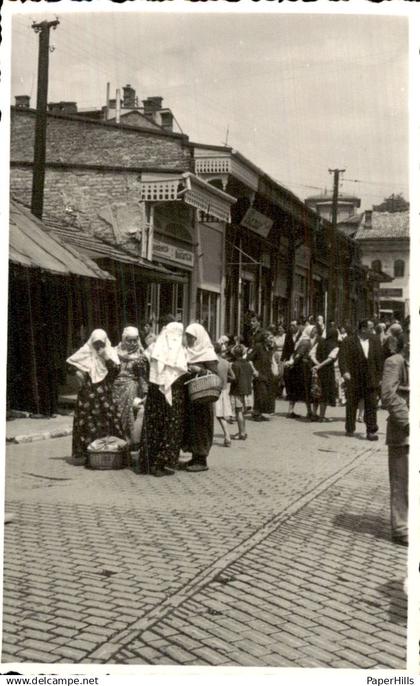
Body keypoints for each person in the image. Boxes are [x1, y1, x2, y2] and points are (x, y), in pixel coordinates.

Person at [67, 329, 124, 464]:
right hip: (87, 393)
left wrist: (105, 356)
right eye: (96, 343)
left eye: (101, 343)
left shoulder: (109, 352)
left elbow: (116, 370)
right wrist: (77, 373)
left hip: (104, 392)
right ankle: (88, 453)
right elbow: (69, 364)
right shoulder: (86, 350)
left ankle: (109, 450)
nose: (98, 346)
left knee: (108, 417)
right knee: (87, 420)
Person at [139, 322, 188, 477]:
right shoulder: (181, 351)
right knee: (169, 428)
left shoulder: (153, 348)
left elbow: (140, 365)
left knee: (154, 426)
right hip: (173, 397)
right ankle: (162, 463)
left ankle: (150, 462)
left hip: (156, 395)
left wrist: (148, 380)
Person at [381, 331, 409, 545]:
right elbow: (389, 395)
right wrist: (408, 423)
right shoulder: (395, 362)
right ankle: (401, 528)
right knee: (402, 482)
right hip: (404, 432)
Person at [182, 323, 220, 472]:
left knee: (201, 427)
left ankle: (201, 459)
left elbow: (215, 374)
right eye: (188, 337)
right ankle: (194, 457)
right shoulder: (187, 351)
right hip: (191, 396)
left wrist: (199, 370)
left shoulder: (208, 353)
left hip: (203, 397)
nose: (189, 340)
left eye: (192, 337)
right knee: (192, 427)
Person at [339, 319, 383, 440]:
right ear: (363, 329)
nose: (372, 330)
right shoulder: (348, 341)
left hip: (371, 378)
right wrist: (345, 372)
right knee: (352, 404)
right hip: (354, 378)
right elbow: (342, 358)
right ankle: (350, 428)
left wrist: (380, 377)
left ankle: (371, 431)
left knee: (371, 405)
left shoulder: (375, 340)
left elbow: (380, 359)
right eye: (371, 328)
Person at [113, 327, 149, 448]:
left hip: (132, 386)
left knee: (129, 411)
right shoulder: (115, 352)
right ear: (124, 339)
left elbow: (142, 377)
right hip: (115, 386)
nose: (132, 343)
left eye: (135, 340)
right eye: (129, 340)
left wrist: (145, 393)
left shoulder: (140, 356)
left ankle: (128, 440)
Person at [311, 327, 340, 421]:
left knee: (316, 391)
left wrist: (317, 364)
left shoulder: (320, 342)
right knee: (324, 393)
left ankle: (314, 414)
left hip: (317, 370)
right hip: (327, 371)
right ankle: (321, 416)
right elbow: (331, 358)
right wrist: (321, 365)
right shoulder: (335, 345)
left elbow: (311, 354)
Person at [247, 331, 276, 421]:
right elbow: (249, 359)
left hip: (268, 373)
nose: (272, 339)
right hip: (259, 373)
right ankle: (257, 412)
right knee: (260, 393)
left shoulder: (270, 348)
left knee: (268, 394)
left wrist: (275, 368)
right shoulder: (258, 346)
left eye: (273, 338)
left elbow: (272, 360)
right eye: (270, 338)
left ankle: (263, 412)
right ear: (265, 338)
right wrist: (254, 370)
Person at [229, 344, 254, 440]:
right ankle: (243, 431)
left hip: (237, 390)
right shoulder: (248, 364)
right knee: (242, 412)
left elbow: (234, 379)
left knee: (238, 411)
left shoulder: (235, 364)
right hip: (247, 390)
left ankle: (241, 433)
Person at [213, 342, 235, 447]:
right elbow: (233, 377)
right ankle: (227, 436)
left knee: (214, 414)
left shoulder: (212, 363)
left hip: (214, 390)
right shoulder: (226, 362)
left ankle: (226, 436)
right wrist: (225, 378)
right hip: (224, 391)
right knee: (220, 415)